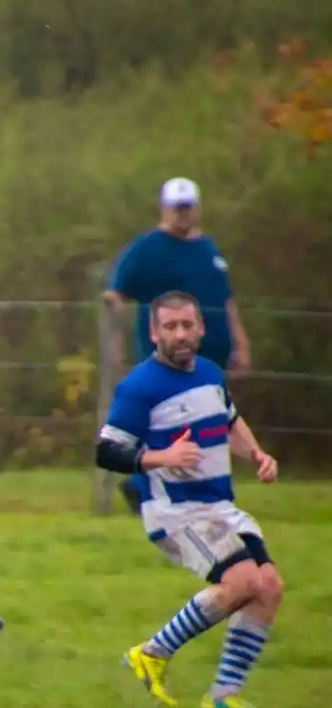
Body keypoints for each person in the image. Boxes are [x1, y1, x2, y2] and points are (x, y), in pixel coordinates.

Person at [96, 291, 281, 708]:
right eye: (170, 326)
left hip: (219, 508)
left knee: (268, 587)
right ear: (153, 332)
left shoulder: (212, 374)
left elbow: (230, 422)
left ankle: (223, 695)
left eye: (187, 325)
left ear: (201, 327)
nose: (180, 334)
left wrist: (256, 455)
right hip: (176, 513)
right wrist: (161, 457)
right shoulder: (140, 387)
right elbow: (106, 451)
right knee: (242, 583)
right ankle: (152, 653)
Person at [105, 178, 249, 513]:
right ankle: (142, 485)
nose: (183, 214)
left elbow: (226, 300)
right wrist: (117, 339)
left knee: (208, 425)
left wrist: (240, 342)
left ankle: (184, 491)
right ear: (165, 208)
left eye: (188, 207)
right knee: (170, 422)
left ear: (197, 208)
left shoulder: (208, 250)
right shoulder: (147, 249)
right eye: (177, 208)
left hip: (210, 356)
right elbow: (117, 293)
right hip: (170, 358)